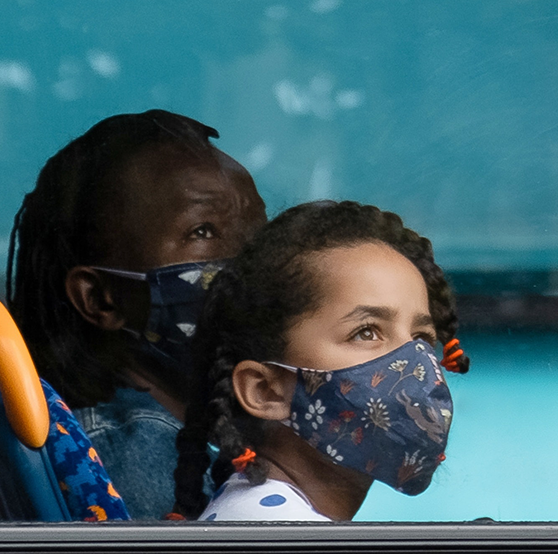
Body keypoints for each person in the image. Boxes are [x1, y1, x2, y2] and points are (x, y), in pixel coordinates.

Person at [5, 110, 268, 520]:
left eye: (261, 228)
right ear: (101, 299)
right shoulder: (129, 458)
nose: (256, 255)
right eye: (203, 231)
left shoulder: (184, 431)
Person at [172, 200, 470, 522]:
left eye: (421, 338)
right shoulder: (280, 535)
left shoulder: (274, 520)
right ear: (265, 390)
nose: (415, 362)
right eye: (366, 332)